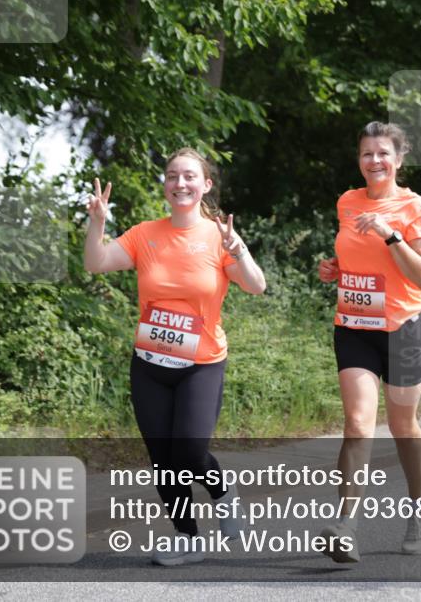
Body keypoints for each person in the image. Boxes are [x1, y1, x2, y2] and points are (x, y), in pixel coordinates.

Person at [84, 147, 266, 566]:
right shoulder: (144, 233)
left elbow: (255, 286)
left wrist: (238, 249)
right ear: (165, 185)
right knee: (162, 459)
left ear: (205, 185)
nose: (179, 184)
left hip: (201, 363)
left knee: (187, 451)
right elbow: (96, 263)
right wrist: (96, 223)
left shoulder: (218, 236)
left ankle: (222, 492)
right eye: (172, 176)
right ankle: (187, 538)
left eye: (189, 177)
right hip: (150, 363)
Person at [316, 121, 421, 563]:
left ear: (399, 159)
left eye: (383, 153)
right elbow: (353, 258)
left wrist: (391, 234)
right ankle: (345, 525)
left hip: (404, 328)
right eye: (367, 153)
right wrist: (335, 269)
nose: (375, 161)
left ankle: (420, 509)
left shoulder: (415, 207)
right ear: (359, 160)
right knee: (356, 424)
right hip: (354, 325)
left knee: (403, 428)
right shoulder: (347, 202)